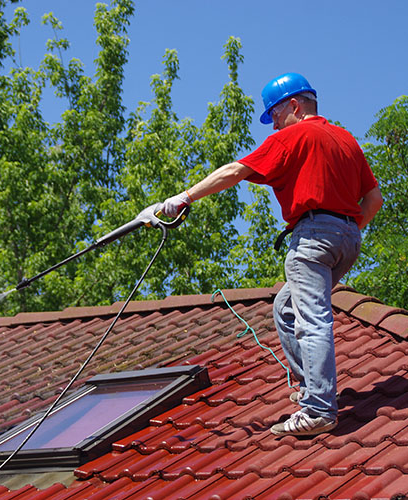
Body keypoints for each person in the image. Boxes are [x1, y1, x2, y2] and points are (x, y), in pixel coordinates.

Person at [161, 72, 383, 437]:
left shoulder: (293, 135)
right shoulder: (345, 140)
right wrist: (346, 232)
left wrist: (184, 197)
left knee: (311, 318)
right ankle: (312, 388)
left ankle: (318, 409)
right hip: (347, 239)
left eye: (275, 115)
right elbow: (373, 199)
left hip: (312, 236)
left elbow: (235, 171)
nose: (273, 124)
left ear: (294, 105)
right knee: (285, 307)